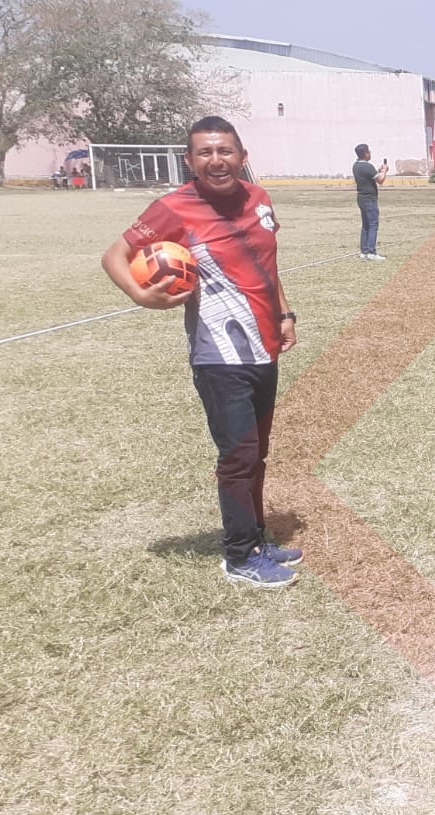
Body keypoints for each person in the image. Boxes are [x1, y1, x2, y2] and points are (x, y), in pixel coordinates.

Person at [100, 116, 301, 587]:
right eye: (205, 152)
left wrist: (285, 313)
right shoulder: (173, 208)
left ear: (242, 157)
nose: (216, 160)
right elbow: (113, 256)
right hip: (219, 356)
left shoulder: (259, 199)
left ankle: (255, 539)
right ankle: (239, 557)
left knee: (257, 454)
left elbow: (268, 265)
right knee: (239, 456)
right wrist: (142, 295)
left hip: (264, 348)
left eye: (225, 151)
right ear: (189, 160)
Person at [352, 143, 387, 261]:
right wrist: (384, 171)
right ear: (365, 153)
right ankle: (372, 252)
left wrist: (378, 171)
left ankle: (364, 251)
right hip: (369, 199)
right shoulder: (368, 166)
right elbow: (380, 180)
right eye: (369, 151)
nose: (370, 153)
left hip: (361, 198)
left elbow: (370, 176)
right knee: (373, 225)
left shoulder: (356, 166)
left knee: (365, 225)